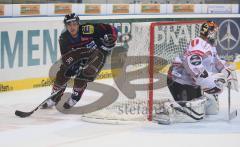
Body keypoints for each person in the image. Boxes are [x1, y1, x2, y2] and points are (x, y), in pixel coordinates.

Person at [155, 21, 235, 124]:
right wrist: (207, 80)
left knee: (209, 110)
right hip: (179, 80)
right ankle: (167, 109)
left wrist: (226, 71)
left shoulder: (211, 47)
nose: (216, 35)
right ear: (209, 32)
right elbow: (193, 62)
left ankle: (183, 106)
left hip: (192, 82)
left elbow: (217, 62)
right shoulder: (198, 42)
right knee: (195, 115)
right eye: (214, 32)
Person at [41, 13, 117, 109]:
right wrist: (72, 68)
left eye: (74, 24)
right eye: (69, 24)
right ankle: (54, 97)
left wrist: (113, 37)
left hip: (97, 53)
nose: (72, 27)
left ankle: (75, 97)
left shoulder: (87, 29)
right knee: (62, 74)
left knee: (83, 76)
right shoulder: (64, 38)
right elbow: (66, 57)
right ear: (66, 26)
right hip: (79, 56)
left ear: (78, 24)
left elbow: (112, 29)